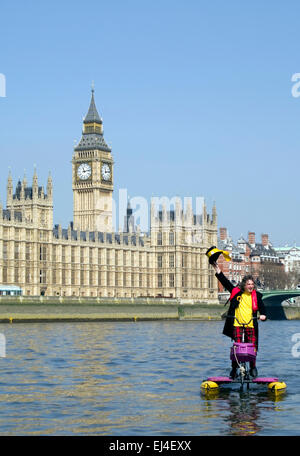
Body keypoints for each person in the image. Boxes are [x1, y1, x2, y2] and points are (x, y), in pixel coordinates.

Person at [212, 261, 267, 379]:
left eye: (252, 284)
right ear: (244, 285)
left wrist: (263, 315)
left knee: (252, 347)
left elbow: (262, 308)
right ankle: (234, 368)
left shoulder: (256, 296)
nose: (251, 286)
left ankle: (253, 367)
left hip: (251, 324)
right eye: (248, 284)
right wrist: (217, 269)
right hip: (237, 324)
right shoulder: (237, 292)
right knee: (236, 348)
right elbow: (225, 282)